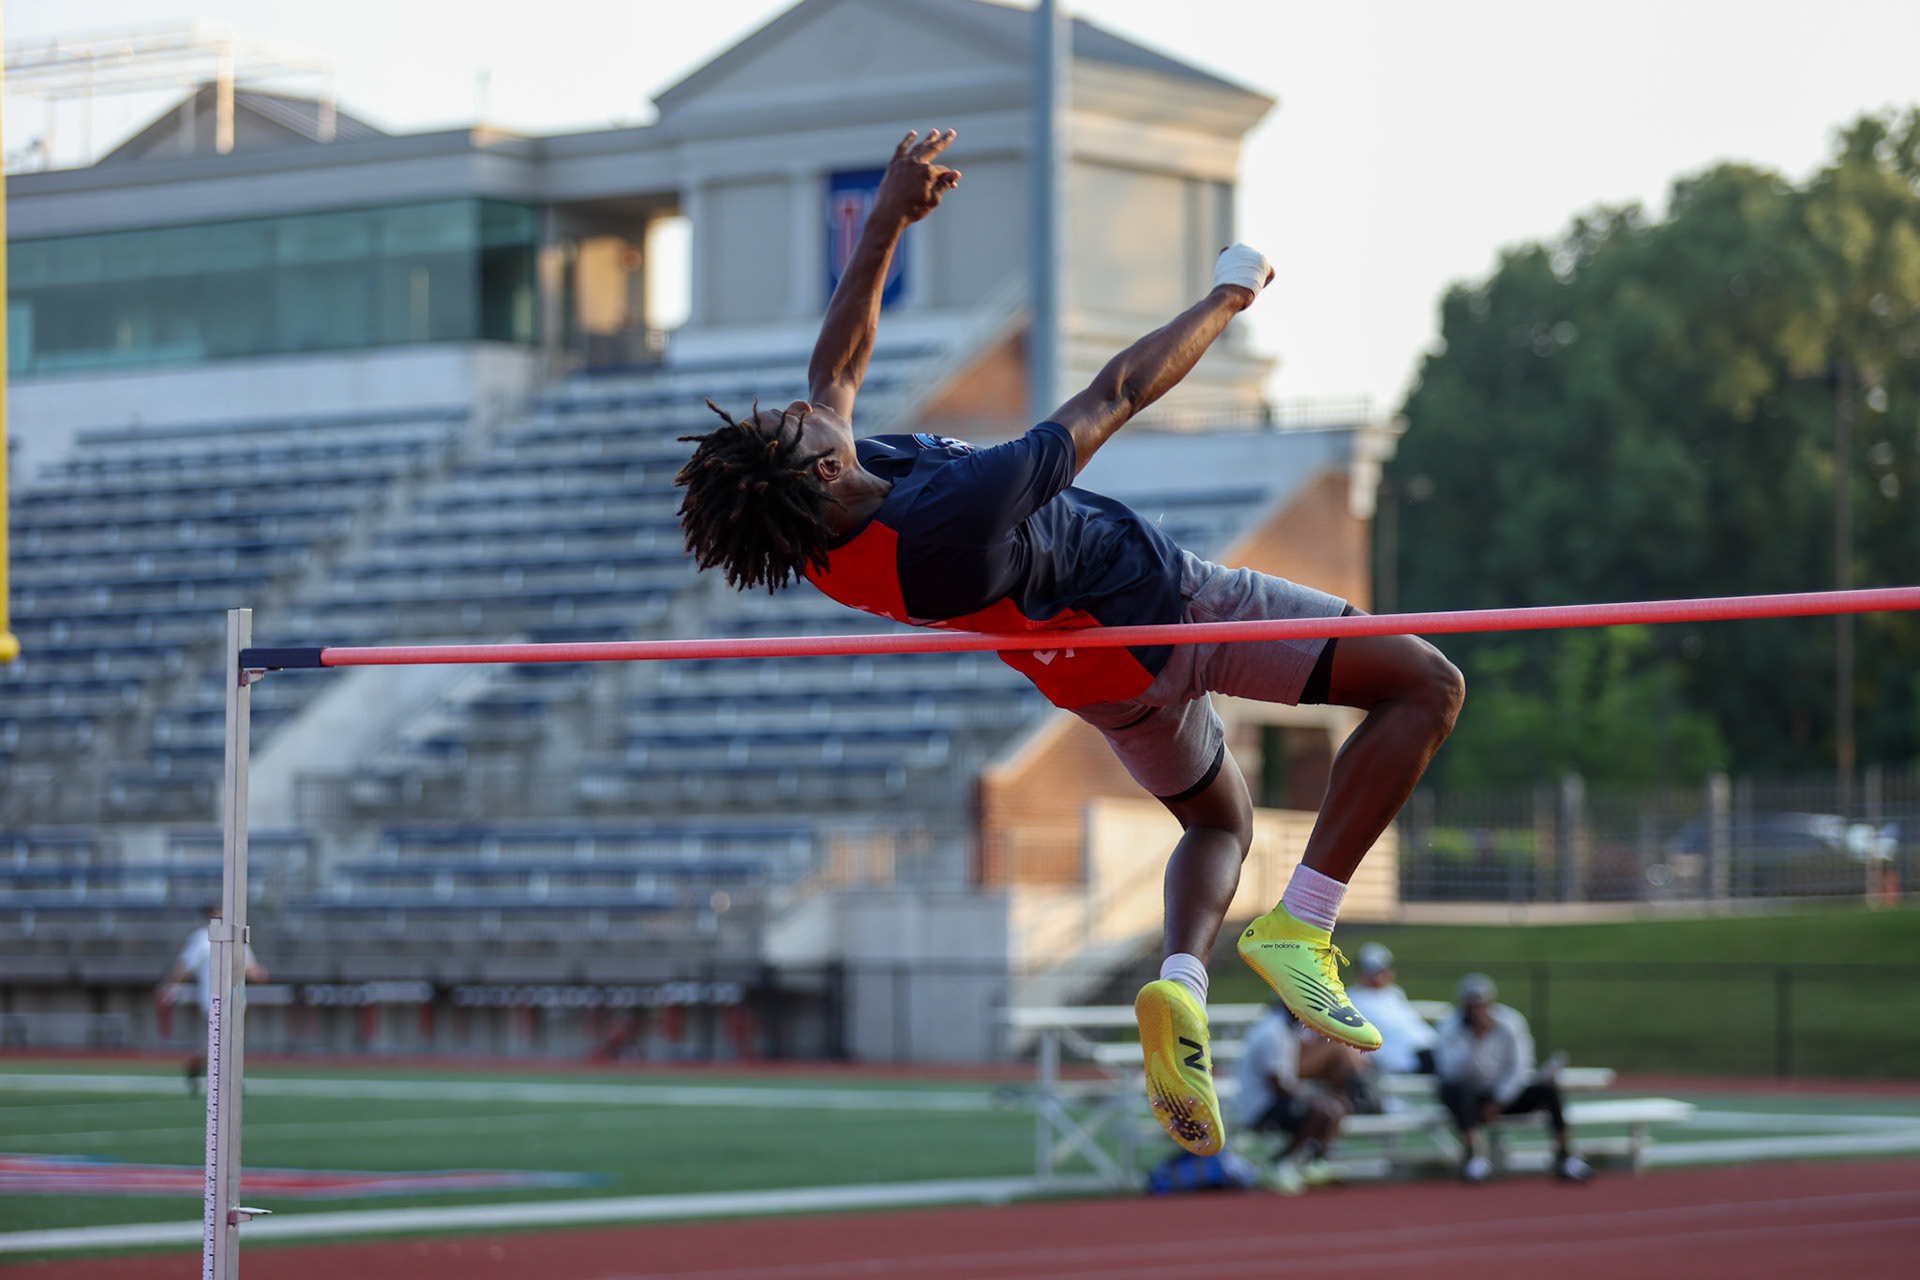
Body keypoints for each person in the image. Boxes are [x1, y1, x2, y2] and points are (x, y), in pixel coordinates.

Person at [674, 128, 1465, 1156]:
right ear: (818, 474)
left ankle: (1181, 981)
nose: (801, 409)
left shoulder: (819, 531)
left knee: (1217, 824)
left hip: (1091, 682)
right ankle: (1302, 922)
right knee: (1425, 687)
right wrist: (1231, 296)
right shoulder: (950, 512)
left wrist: (886, 220)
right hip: (1169, 612)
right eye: (795, 429)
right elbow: (1116, 394)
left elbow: (839, 361)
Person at [1434, 973, 1588, 1183]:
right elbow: (1451, 1071)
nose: (1478, 1011)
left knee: (1548, 1092)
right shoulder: (1449, 1028)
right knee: (1455, 1091)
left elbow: (1521, 1067)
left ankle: (1565, 1155)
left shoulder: (1511, 1023)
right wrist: (1475, 1041)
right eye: (1473, 1005)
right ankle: (1473, 1156)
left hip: (1505, 1092)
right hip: (1471, 1094)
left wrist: (1499, 1100)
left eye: (1482, 1004)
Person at [1233, 999, 1346, 1192]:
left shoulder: (1283, 1029)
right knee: (1324, 1110)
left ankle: (1313, 1161)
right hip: (1260, 1106)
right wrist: (1313, 1096)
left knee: (1333, 1105)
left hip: (1270, 1100)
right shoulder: (1273, 1032)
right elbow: (1278, 1083)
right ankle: (1279, 1163)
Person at [159, 903, 266, 1095]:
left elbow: (249, 965)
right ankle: (229, 1081)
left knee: (227, 1041)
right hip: (213, 999)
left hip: (236, 998)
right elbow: (185, 966)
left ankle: (198, 1064)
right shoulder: (201, 939)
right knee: (223, 1040)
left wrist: (257, 974)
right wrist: (171, 986)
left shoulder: (236, 938)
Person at [1347, 942, 1438, 1076]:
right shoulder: (1352, 998)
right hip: (1404, 1060)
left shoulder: (1394, 993)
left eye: (1382, 970)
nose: (1378, 977)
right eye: (1372, 971)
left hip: (1430, 1049)